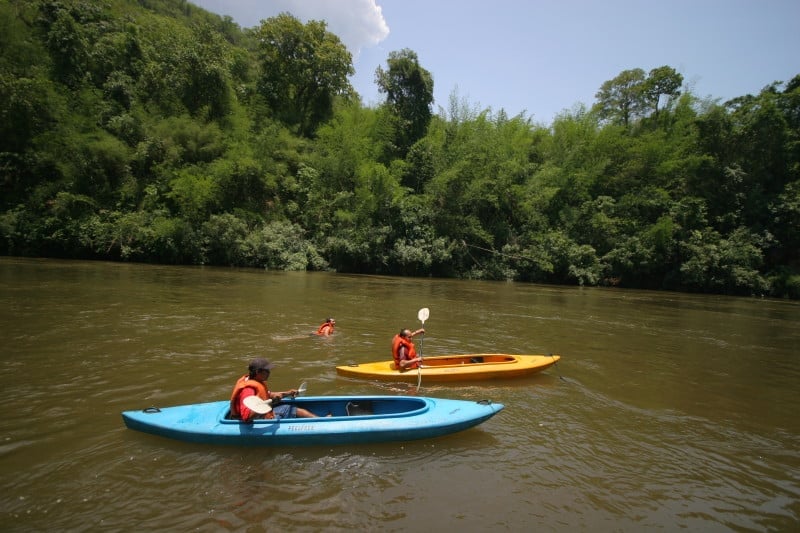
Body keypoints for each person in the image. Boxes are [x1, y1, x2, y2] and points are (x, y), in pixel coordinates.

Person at [230, 357, 322, 421]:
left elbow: (268, 394)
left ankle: (318, 420)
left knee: (290, 406)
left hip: (260, 414)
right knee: (289, 408)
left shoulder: (254, 381)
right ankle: (320, 421)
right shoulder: (248, 390)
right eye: (266, 371)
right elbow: (246, 417)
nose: (269, 373)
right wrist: (271, 402)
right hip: (255, 421)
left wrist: (288, 393)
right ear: (258, 372)